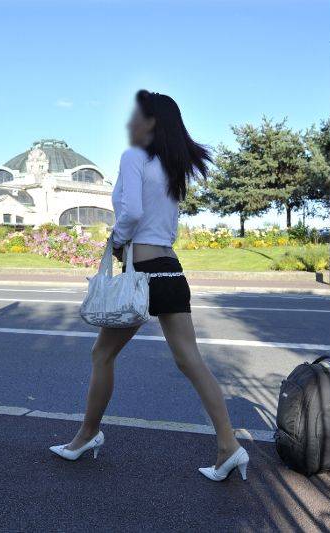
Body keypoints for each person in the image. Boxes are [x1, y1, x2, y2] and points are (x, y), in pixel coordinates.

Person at [50, 90, 248, 482]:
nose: (129, 122)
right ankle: (229, 446)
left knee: (102, 356)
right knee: (191, 360)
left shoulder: (133, 158)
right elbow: (165, 225)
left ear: (152, 121)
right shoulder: (173, 166)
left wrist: (117, 240)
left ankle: (87, 436)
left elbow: (132, 212)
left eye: (136, 115)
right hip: (171, 269)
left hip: (142, 272)